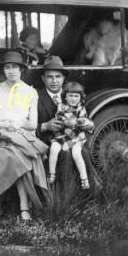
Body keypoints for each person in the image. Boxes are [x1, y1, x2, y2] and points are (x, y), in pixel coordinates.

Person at [0, 51, 48, 221]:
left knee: (22, 155)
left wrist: (17, 126)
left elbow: (32, 125)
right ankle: (24, 206)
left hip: (22, 136)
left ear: (21, 69)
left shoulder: (30, 92)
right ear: (3, 70)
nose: (11, 71)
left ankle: (17, 204)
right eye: (7, 67)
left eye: (15, 67)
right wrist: (7, 125)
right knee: (18, 157)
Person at [37, 55, 97, 196]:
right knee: (63, 154)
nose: (54, 81)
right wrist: (45, 126)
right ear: (43, 79)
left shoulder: (73, 96)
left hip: (73, 139)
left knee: (82, 153)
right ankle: (61, 200)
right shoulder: (36, 97)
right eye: (49, 77)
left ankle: (85, 197)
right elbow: (29, 124)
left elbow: (86, 119)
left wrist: (88, 124)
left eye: (58, 76)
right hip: (49, 141)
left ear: (63, 79)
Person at [47, 81, 94, 190]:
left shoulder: (81, 109)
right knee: (54, 149)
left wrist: (74, 123)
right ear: (65, 97)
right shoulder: (61, 107)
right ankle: (52, 174)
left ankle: (84, 178)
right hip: (61, 137)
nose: (73, 99)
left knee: (76, 153)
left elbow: (80, 124)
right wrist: (63, 121)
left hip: (76, 138)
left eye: (76, 96)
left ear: (81, 97)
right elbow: (58, 118)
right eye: (71, 96)